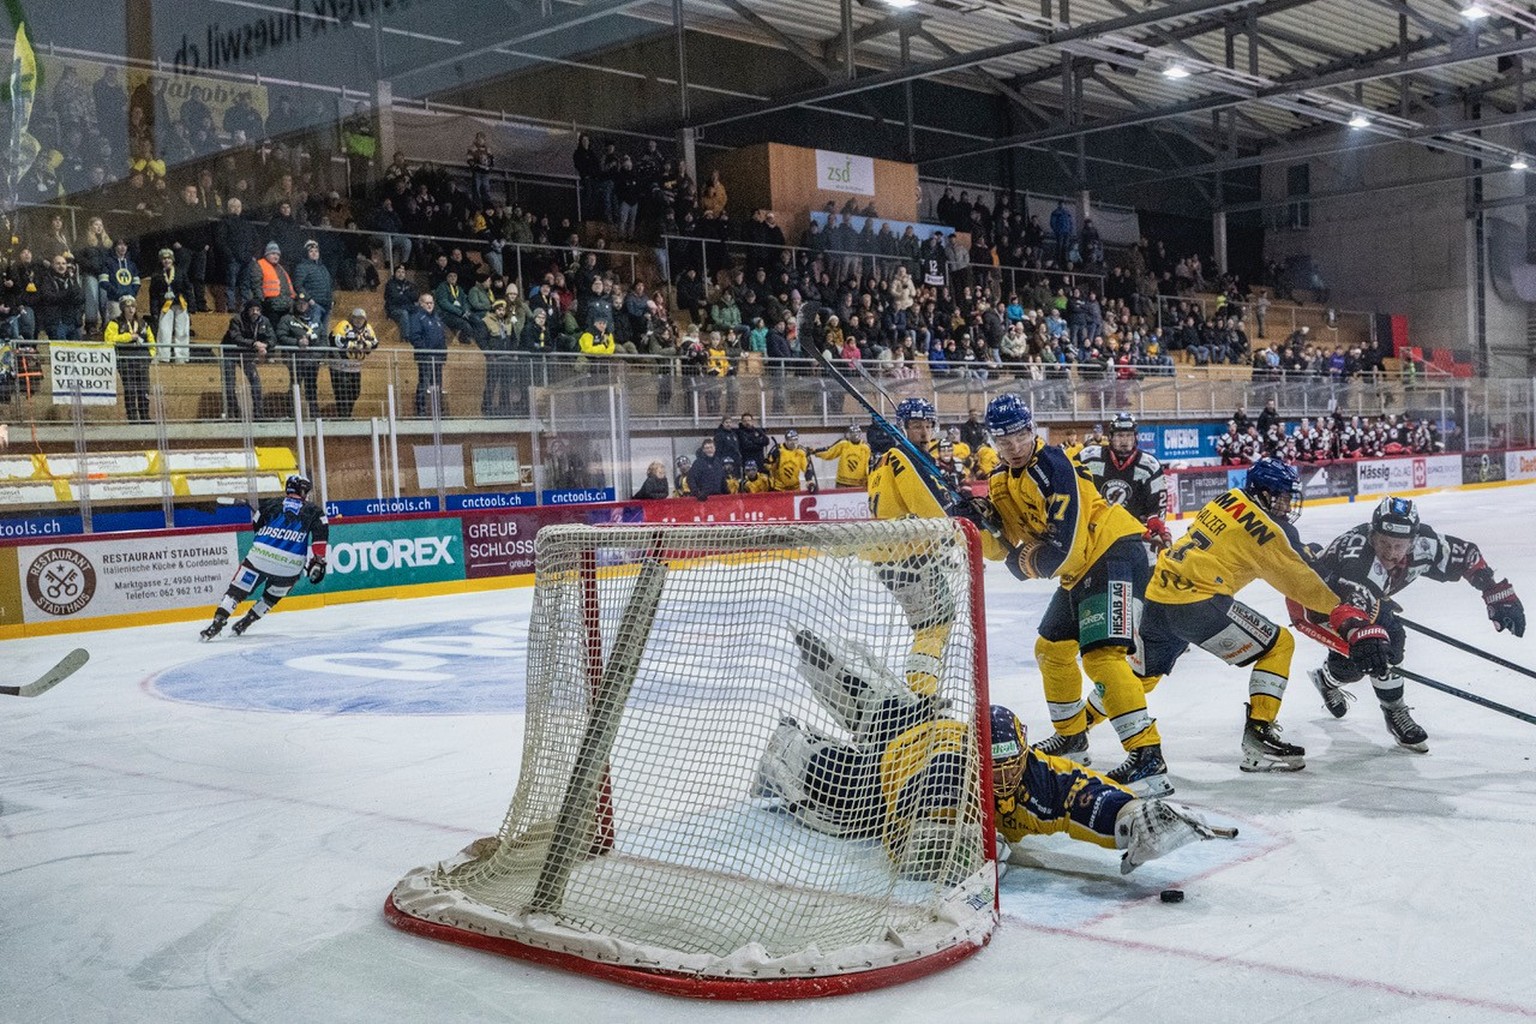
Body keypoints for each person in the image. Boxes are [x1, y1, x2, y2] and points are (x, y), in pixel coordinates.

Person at [752, 630, 1236, 880]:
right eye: (994, 764)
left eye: (1012, 762)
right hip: (885, 771)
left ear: (1023, 751)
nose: (1005, 775)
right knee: (828, 789)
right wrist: (967, 848)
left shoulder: (1036, 772)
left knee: (888, 703)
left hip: (929, 722)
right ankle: (791, 747)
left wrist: (1138, 817)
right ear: (974, 757)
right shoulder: (949, 775)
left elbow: (1086, 795)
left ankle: (853, 694)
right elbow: (918, 846)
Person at [963, 395, 1171, 796]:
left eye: (1020, 435)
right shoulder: (1001, 481)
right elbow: (1007, 545)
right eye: (1003, 440)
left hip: (1113, 550)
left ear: (1032, 430)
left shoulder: (1054, 465)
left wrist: (1023, 563)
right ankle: (1073, 738)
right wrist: (976, 523)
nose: (1013, 446)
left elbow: (1063, 546)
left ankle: (1147, 756)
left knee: (1102, 657)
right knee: (1051, 648)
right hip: (1081, 570)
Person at [1137, 458, 1387, 773]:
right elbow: (1302, 583)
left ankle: (1077, 728)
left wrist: (1299, 551)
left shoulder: (1226, 499)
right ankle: (1259, 735)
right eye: (1280, 495)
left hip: (1158, 594)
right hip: (1196, 602)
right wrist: (1347, 617)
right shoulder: (1270, 530)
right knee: (1280, 644)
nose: (1286, 503)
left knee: (1138, 678)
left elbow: (1261, 549)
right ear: (1262, 492)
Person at [1304, 496, 1525, 752]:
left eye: (1400, 545)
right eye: (1384, 543)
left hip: (1365, 601)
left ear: (1413, 540)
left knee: (1382, 648)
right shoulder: (1359, 562)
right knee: (1366, 656)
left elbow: (1467, 555)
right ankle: (1356, 693)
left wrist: (1496, 592)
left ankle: (1356, 693)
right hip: (1319, 608)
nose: (1391, 553)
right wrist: (1366, 634)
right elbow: (1349, 609)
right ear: (1372, 534)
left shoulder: (1424, 545)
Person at [200, 474, 328, 640]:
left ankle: (218, 621)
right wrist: (317, 562)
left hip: (260, 557)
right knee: (270, 597)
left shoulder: (269, 505)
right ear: (302, 491)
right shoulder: (315, 511)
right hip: (290, 566)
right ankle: (246, 622)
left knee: (237, 591)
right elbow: (320, 540)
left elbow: (257, 527)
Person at [1074, 412, 1170, 533]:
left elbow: (1157, 507)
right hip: (1095, 533)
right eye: (1119, 436)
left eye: (1129, 436)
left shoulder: (1149, 465)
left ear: (1136, 437)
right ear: (1110, 437)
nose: (1124, 441)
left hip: (1133, 534)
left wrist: (1155, 527)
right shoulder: (1088, 457)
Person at [275, 292, 325, 418]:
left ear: (308, 305)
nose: (302, 306)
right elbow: (281, 336)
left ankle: (314, 414)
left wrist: (319, 354)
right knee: (295, 386)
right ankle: (292, 413)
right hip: (295, 359)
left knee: (312, 387)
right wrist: (297, 342)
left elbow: (323, 338)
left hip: (312, 360)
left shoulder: (315, 321)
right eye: (299, 304)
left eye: (304, 304)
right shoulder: (288, 319)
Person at [104, 296, 154, 422]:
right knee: (130, 389)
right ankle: (132, 417)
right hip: (125, 360)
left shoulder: (143, 323)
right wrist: (128, 337)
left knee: (143, 389)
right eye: (127, 307)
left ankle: (145, 416)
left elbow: (151, 340)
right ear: (122, 308)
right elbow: (109, 339)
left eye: (133, 307)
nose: (131, 310)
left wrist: (150, 355)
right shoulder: (115, 323)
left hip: (142, 360)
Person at [222, 300, 272, 417]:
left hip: (247, 353)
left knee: (255, 381)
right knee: (230, 383)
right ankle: (234, 411)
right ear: (247, 310)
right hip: (230, 352)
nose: (255, 312)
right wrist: (254, 344)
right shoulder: (236, 319)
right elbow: (236, 337)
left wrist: (266, 345)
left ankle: (258, 412)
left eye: (257, 310)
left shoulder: (264, 321)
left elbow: (272, 337)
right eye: (252, 310)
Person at [329, 307, 378, 418]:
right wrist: (354, 345)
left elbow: (375, 342)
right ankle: (343, 416)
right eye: (356, 318)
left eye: (361, 318)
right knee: (342, 391)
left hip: (355, 366)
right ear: (351, 317)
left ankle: (348, 414)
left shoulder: (368, 328)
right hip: (339, 365)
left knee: (355, 392)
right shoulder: (344, 325)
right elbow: (336, 341)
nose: (358, 320)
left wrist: (364, 344)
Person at [406, 292, 448, 417]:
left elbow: (442, 337)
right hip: (425, 357)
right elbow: (414, 337)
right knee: (424, 383)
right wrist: (426, 351)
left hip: (438, 357)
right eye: (427, 303)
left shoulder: (437, 318)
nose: (430, 305)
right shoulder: (417, 317)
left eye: (431, 303)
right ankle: (421, 410)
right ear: (421, 304)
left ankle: (438, 409)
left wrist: (443, 353)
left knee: (437, 384)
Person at [812, 424, 872, 489]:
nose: (855, 435)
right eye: (852, 432)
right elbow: (830, 453)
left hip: (858, 483)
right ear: (849, 434)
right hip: (842, 482)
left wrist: (868, 479)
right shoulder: (843, 444)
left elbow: (867, 465)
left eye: (857, 432)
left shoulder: (865, 448)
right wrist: (816, 453)